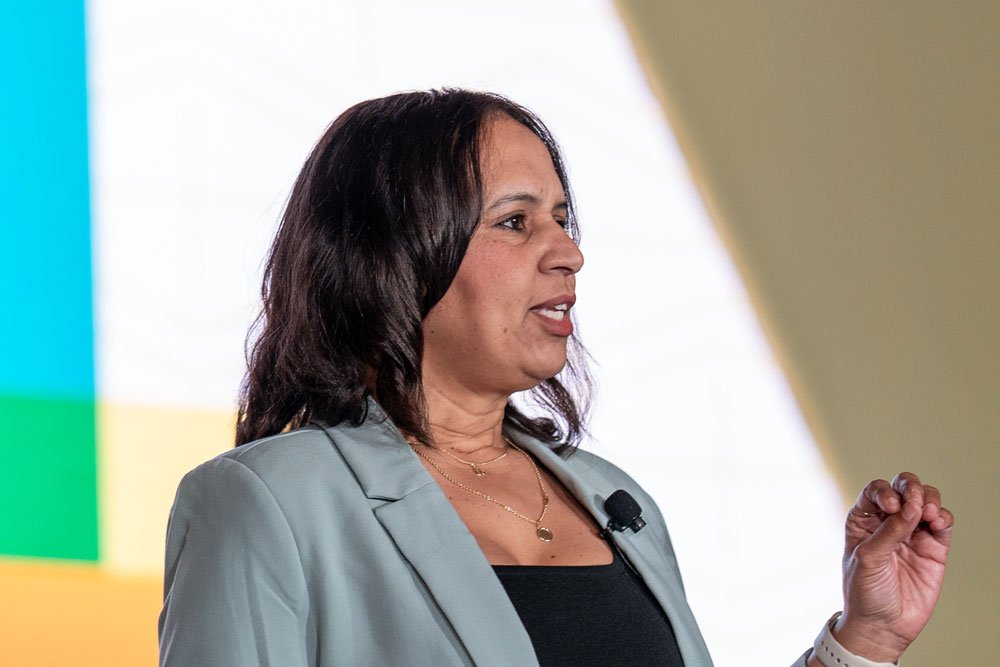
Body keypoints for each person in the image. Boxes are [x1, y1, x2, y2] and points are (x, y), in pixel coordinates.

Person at [158, 89, 954, 667]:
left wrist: (865, 636)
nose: (568, 252)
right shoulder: (268, 504)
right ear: (395, 258)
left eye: (563, 219)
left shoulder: (619, 503)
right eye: (515, 221)